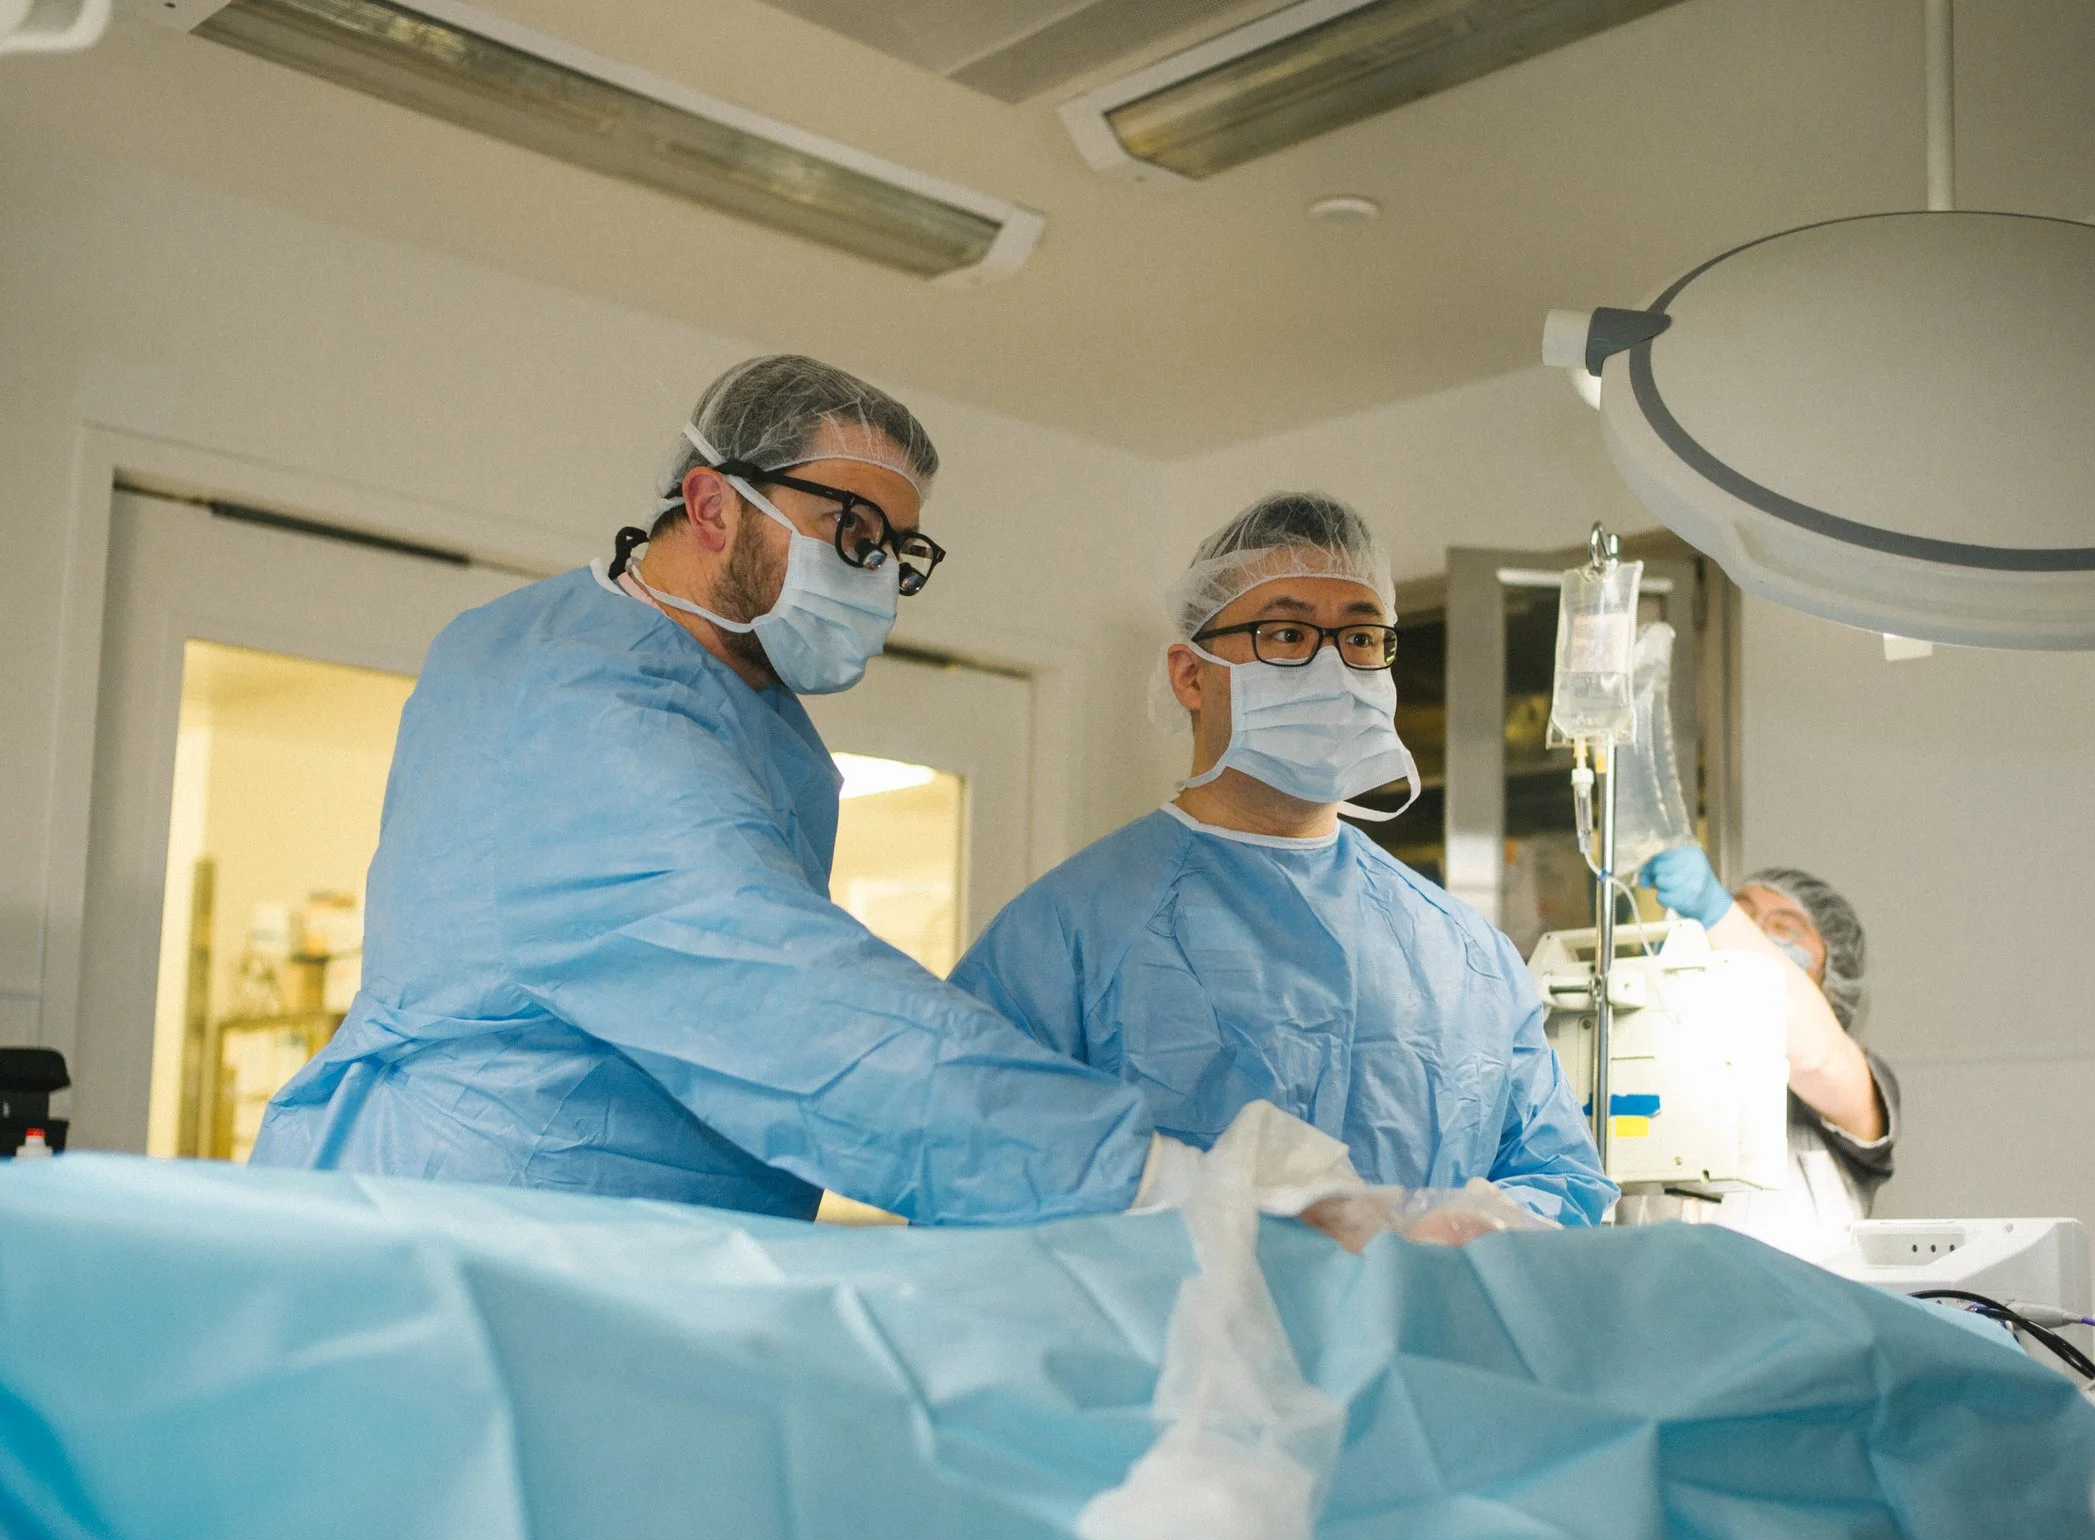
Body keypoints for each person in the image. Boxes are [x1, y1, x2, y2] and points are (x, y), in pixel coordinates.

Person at [250, 355, 1179, 1226]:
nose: (880, 576)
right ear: (710, 506)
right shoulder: (578, 691)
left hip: (623, 1246)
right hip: (487, 1222)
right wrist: (1131, 1170)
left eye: (899, 549)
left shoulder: (754, 719)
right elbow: (779, 994)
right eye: (850, 532)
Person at [948, 492, 1618, 1226]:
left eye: (1362, 639)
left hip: (1412, 1338)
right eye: (1287, 633)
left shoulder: (1466, 956)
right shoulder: (1064, 938)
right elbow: (973, 1185)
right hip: (1163, 1341)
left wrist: (1456, 1238)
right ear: (1190, 676)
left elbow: (1558, 1183)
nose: (1332, 667)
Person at [1634, 848, 1896, 1249]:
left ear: (1832, 973)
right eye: (1741, 913)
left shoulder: (1854, 1075)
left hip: (1798, 1311)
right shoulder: (1648, 1061)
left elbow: (1817, 1057)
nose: (1749, 934)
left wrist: (1715, 911)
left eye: (1783, 927)